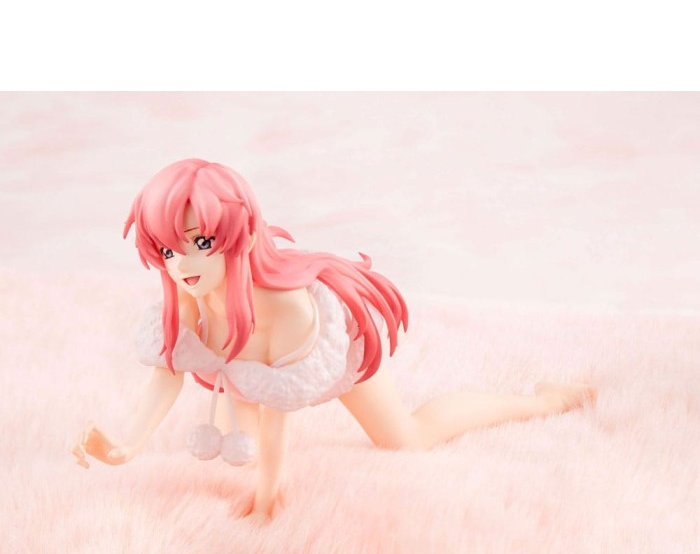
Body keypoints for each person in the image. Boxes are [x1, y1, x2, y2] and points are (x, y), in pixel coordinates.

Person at [72, 159, 596, 520]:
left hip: (336, 351)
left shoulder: (288, 310)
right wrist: (127, 445)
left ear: (241, 235)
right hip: (252, 362)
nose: (182, 264)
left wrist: (269, 495)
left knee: (406, 438)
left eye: (201, 243)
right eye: (168, 250)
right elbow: (168, 371)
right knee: (242, 436)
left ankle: (543, 400)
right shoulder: (190, 291)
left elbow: (279, 407)